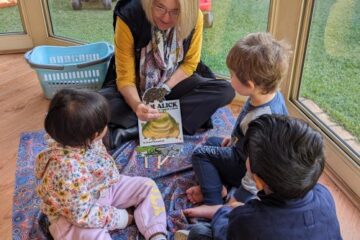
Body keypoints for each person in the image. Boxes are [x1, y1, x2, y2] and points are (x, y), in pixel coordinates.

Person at [176, 115, 342, 240]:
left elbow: (226, 230)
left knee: (199, 233)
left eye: (247, 156)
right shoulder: (324, 194)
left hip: (246, 226)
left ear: (258, 181)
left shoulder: (250, 221)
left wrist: (222, 211)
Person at [99, 0, 235, 149]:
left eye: (175, 11)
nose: (165, 18)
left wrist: (163, 89)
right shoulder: (129, 15)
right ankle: (171, 119)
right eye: (159, 7)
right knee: (97, 104)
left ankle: (133, 130)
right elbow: (125, 77)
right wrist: (137, 105)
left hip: (173, 82)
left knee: (225, 90)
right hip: (136, 87)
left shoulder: (194, 17)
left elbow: (190, 64)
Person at [35, 89, 167, 240]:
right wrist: (121, 218)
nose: (108, 126)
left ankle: (156, 234)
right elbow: (81, 216)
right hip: (72, 217)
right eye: (105, 125)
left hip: (102, 188)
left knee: (147, 186)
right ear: (94, 135)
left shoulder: (69, 134)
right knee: (92, 236)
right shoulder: (67, 172)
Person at [184, 32, 290, 218]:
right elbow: (245, 127)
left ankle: (214, 203)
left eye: (232, 74)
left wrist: (238, 198)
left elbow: (255, 170)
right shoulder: (270, 95)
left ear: (249, 84)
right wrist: (234, 139)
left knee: (201, 154)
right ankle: (220, 188)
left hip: (248, 166)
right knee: (212, 142)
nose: (229, 77)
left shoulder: (261, 122)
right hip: (242, 150)